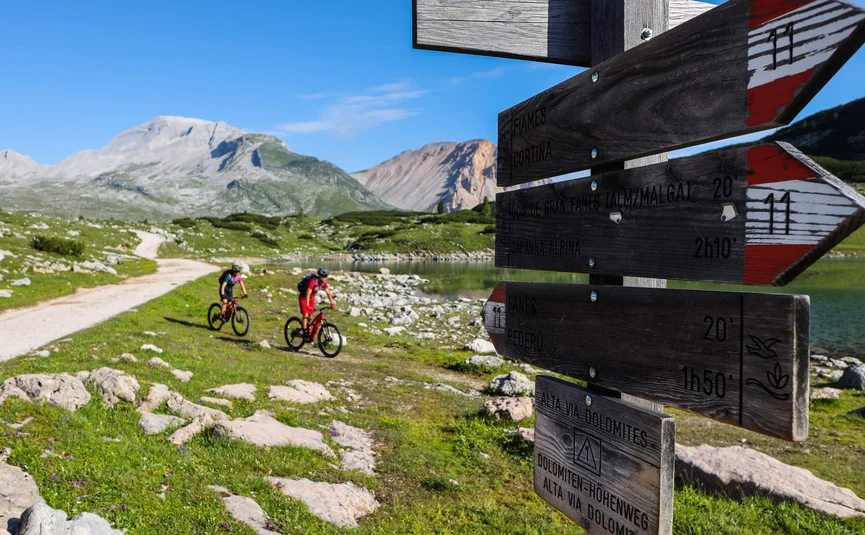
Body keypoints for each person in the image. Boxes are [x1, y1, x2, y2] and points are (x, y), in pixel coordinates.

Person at [298, 268, 336, 341]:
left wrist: (332, 303)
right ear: (320, 276)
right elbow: (308, 293)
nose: (326, 278)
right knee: (306, 315)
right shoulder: (313, 281)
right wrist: (307, 305)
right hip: (304, 297)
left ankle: (308, 330)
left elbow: (328, 293)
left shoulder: (323, 283)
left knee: (311, 316)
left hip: (311, 298)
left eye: (327, 276)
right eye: (325, 276)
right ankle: (305, 333)